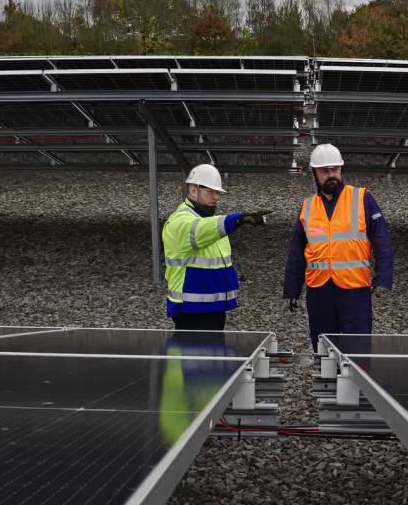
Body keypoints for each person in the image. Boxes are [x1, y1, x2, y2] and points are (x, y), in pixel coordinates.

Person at [282, 144, 393, 353]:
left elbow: (382, 241)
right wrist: (291, 289)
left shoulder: (362, 198)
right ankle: (327, 385)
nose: (331, 175)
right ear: (314, 173)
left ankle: (356, 384)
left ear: (341, 170)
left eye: (335, 169)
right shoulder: (307, 207)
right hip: (319, 291)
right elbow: (297, 253)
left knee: (357, 346)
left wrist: (383, 278)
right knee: (323, 346)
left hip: (354, 289)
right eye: (324, 171)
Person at [163, 164, 271, 331]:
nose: (216, 197)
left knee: (210, 354)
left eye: (218, 193)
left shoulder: (208, 220)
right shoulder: (180, 221)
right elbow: (202, 229)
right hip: (191, 309)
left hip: (211, 307)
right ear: (193, 190)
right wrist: (237, 219)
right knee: (195, 355)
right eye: (210, 192)